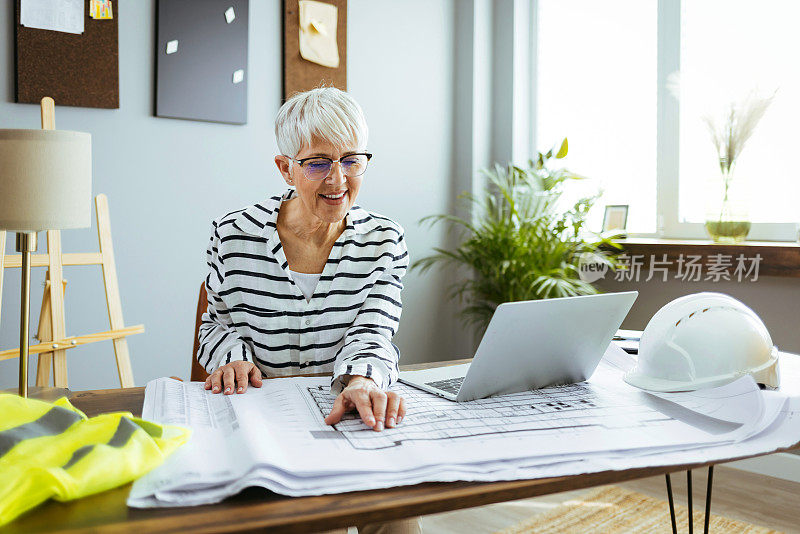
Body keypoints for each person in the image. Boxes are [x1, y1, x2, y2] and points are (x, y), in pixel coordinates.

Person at [197, 86, 409, 433]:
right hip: (257, 418)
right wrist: (233, 358)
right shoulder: (233, 235)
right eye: (318, 163)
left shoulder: (384, 240)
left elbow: (374, 333)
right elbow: (217, 327)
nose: (337, 179)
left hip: (340, 419)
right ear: (285, 168)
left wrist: (361, 381)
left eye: (351, 160)